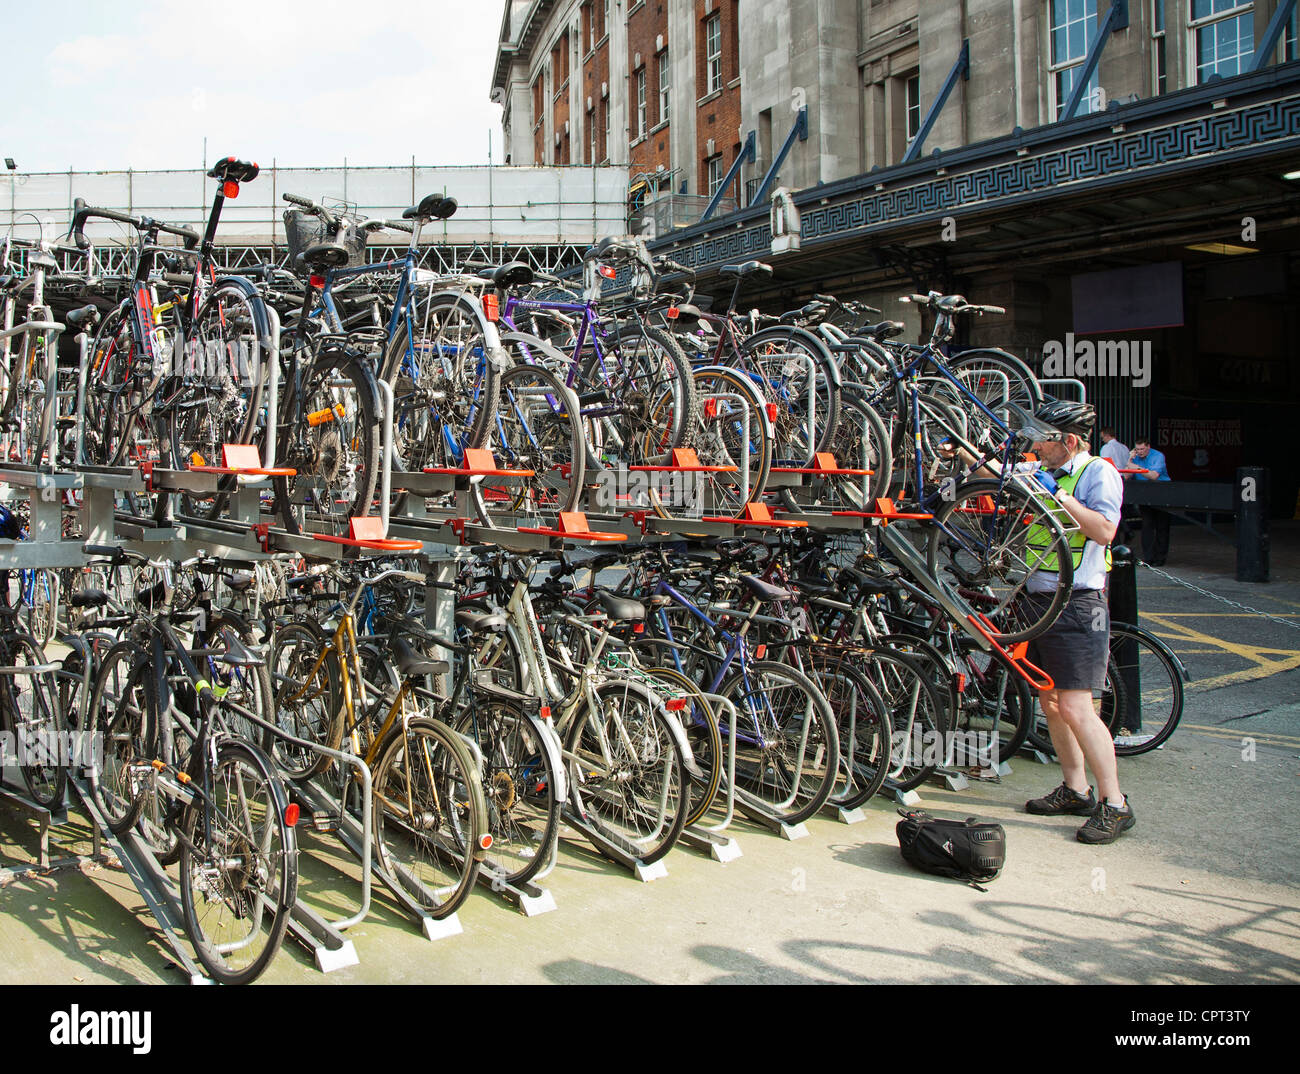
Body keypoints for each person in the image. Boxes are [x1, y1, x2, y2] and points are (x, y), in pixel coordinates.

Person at [936, 400, 1134, 842]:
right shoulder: (1045, 470)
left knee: (1079, 707)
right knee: (1050, 702)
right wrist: (963, 453)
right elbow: (998, 479)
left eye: (1044, 439)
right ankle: (1075, 788)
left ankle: (1116, 803)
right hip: (1038, 600)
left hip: (1079, 602)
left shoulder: (1096, 472)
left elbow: (1104, 531)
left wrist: (1058, 496)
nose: (1036, 446)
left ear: (1069, 441)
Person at [1128, 436, 1172, 565]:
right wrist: (1129, 459)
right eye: (1137, 449)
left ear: (1148, 446)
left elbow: (1154, 475)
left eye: (1142, 449)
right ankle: (1148, 557)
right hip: (1144, 493)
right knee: (1147, 525)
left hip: (1161, 491)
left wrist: (1135, 467)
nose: (1140, 452)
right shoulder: (1134, 458)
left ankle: (1160, 558)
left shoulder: (1158, 456)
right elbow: (1126, 476)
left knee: (1162, 526)